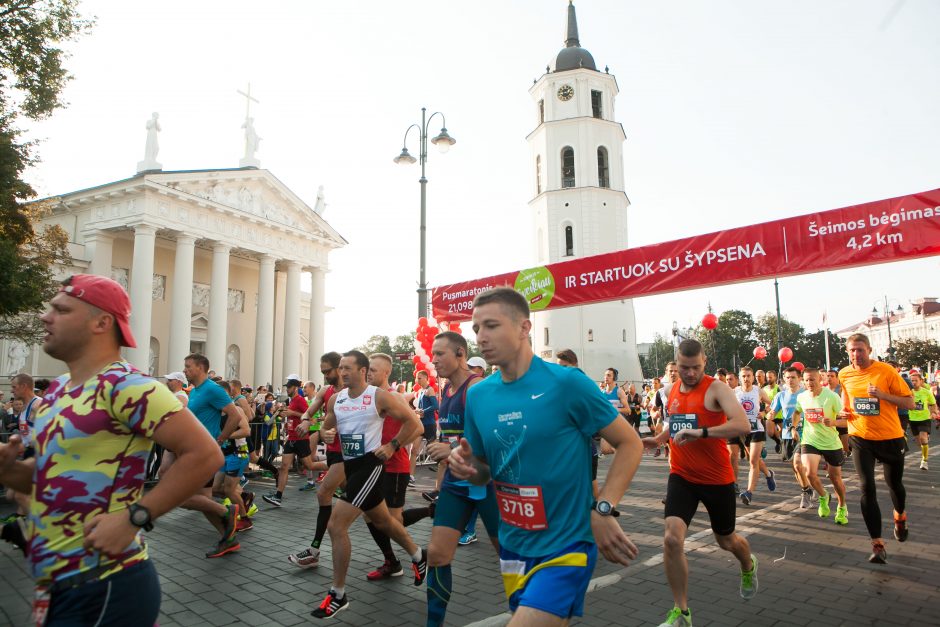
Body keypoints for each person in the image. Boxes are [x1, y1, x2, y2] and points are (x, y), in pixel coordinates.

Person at [0, 274, 223, 625]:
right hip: (56, 585)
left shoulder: (128, 387)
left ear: (102, 322)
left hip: (105, 587)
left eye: (61, 309)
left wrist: (135, 517)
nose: (46, 316)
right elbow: (50, 474)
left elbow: (205, 454)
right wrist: (8, 469)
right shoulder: (57, 391)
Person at [448, 287, 643, 626]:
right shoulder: (479, 395)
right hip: (514, 545)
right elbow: (484, 471)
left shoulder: (566, 383)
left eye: (491, 325)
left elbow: (631, 443)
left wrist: (604, 508)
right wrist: (469, 469)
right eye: (476, 328)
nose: (481, 337)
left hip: (567, 545)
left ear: (524, 328)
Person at [642, 339, 758, 627]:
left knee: (726, 540)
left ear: (704, 362)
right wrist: (658, 439)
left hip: (717, 477)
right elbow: (678, 422)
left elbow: (742, 425)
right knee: (671, 539)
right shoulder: (670, 390)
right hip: (681, 474)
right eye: (684, 368)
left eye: (695, 368)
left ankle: (748, 564)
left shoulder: (717, 388)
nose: (690, 373)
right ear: (676, 364)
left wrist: (702, 433)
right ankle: (681, 612)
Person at [312, 350, 427, 619]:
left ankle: (338, 594)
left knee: (336, 525)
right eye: (340, 368)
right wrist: (325, 434)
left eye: (347, 368)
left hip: (370, 465)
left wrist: (393, 445)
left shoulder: (379, 397)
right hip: (351, 467)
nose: (342, 372)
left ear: (363, 371)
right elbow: (326, 429)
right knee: (383, 521)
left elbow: (414, 423)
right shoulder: (337, 399)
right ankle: (419, 555)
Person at [423, 332, 499, 627]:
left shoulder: (476, 387)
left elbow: (495, 438)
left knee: (510, 557)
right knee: (438, 556)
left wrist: (452, 448)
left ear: (460, 354)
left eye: (440, 353)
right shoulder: (446, 392)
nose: (434, 359)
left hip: (487, 482)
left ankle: (537, 615)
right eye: (433, 354)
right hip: (456, 485)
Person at [838, 333, 913, 563]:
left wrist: (882, 395)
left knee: (894, 485)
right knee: (866, 487)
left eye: (860, 350)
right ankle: (877, 545)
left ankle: (900, 516)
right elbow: (846, 396)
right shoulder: (844, 374)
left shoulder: (886, 371)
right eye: (852, 350)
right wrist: (845, 410)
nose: (856, 354)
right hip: (861, 437)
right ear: (847, 352)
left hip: (890, 437)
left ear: (869, 350)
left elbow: (909, 402)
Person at [179, 353, 243, 558]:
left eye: (188, 367)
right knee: (204, 500)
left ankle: (228, 512)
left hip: (204, 452)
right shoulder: (196, 391)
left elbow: (234, 415)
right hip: (195, 450)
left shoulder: (213, 389)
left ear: (201, 367)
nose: (185, 370)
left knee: (180, 497)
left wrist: (221, 439)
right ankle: (228, 539)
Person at [288, 352, 345, 569]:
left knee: (323, 493)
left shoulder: (354, 391)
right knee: (377, 516)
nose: (325, 376)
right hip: (333, 453)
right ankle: (398, 557)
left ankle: (314, 551)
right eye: (322, 372)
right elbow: (309, 412)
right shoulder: (326, 391)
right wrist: (304, 421)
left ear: (340, 367)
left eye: (327, 371)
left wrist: (333, 430)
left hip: (348, 455)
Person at [795, 368, 848, 525]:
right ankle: (823, 496)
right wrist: (793, 426)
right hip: (810, 440)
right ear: (803, 381)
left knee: (835, 479)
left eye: (812, 379)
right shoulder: (802, 397)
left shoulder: (832, 397)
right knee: (810, 473)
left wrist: (833, 422)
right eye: (806, 380)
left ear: (820, 380)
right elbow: (797, 412)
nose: (809, 383)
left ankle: (842, 507)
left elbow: (846, 421)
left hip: (831, 442)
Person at [262, 375, 320, 507]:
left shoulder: (300, 400)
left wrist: (292, 413)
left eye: (288, 387)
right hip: (292, 438)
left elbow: (309, 418)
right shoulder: (291, 400)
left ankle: (335, 466)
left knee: (309, 465)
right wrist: (283, 414)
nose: (287, 389)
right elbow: (291, 416)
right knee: (283, 467)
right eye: (286, 387)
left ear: (295, 388)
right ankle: (278, 496)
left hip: (301, 438)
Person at [770, 367, 811, 506]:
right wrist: (769, 415)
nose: (790, 380)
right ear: (784, 379)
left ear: (800, 378)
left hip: (805, 434)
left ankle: (806, 492)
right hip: (787, 435)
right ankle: (808, 488)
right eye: (787, 378)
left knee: (798, 464)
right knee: (795, 468)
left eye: (793, 377)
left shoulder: (806, 394)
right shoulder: (781, 396)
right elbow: (773, 412)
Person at [736, 367, 775, 505]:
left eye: (748, 376)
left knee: (752, 461)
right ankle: (769, 474)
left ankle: (749, 492)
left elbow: (773, 404)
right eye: (743, 376)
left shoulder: (758, 391)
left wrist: (764, 413)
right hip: (742, 430)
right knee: (756, 460)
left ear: (753, 377)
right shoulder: (735, 392)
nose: (746, 379)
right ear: (740, 378)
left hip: (757, 430)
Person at [907, 369, 938, 470]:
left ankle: (924, 461)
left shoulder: (926, 392)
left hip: (924, 418)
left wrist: (933, 412)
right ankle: (924, 444)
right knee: (918, 442)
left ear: (921, 381)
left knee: (923, 438)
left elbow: (933, 404)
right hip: (912, 419)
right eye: (912, 380)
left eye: (916, 380)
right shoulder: (907, 392)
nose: (914, 382)